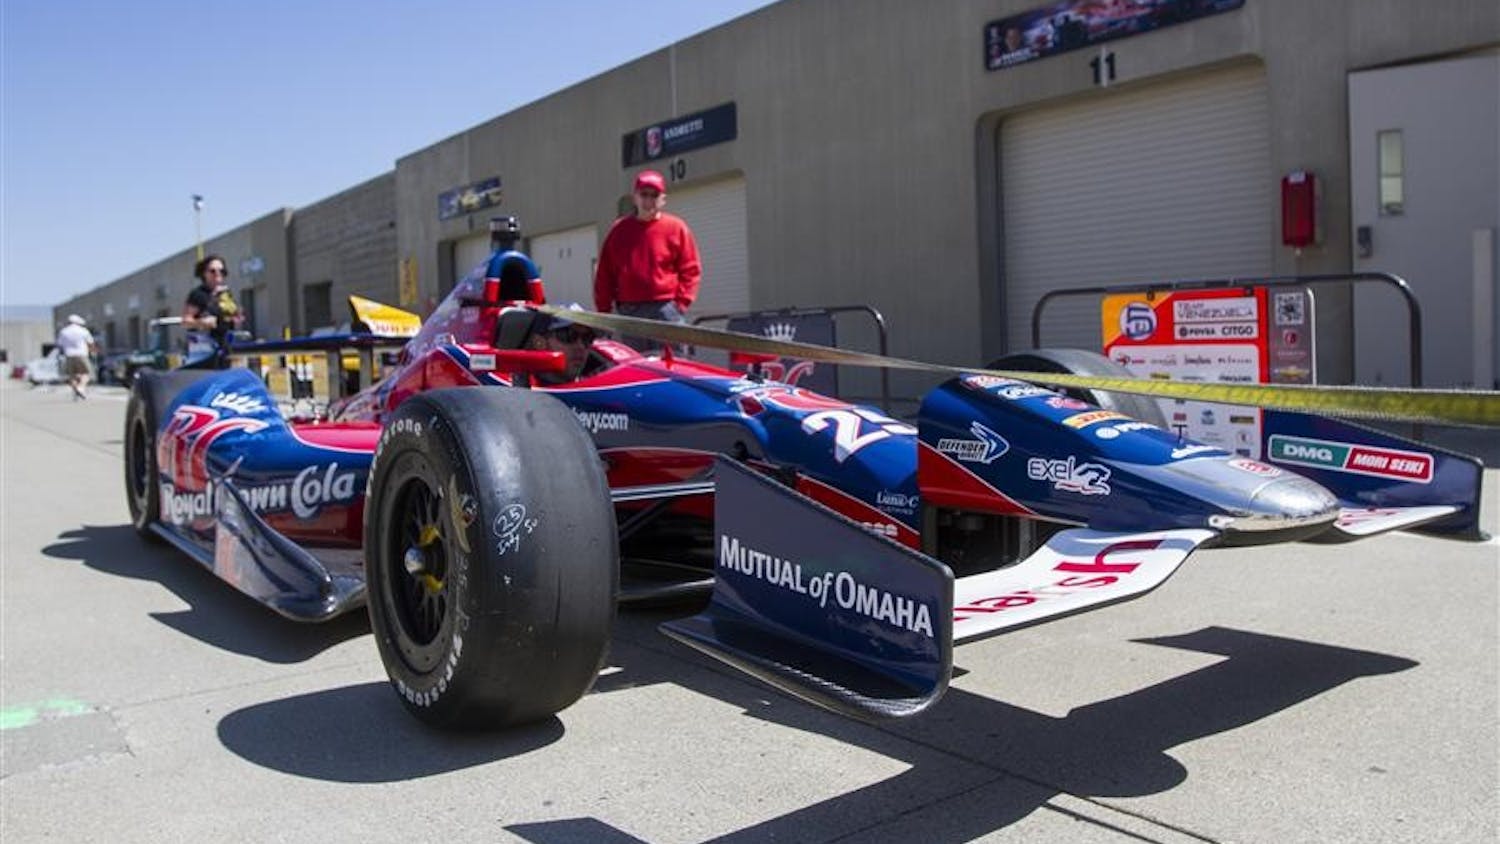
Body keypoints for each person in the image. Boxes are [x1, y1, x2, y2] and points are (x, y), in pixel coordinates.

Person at [593, 169, 701, 351]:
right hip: (630, 313)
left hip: (666, 310)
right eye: (644, 194)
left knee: (672, 366)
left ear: (663, 199)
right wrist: (604, 312)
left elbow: (691, 270)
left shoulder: (676, 228)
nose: (649, 200)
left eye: (654, 195)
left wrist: (680, 304)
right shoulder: (619, 230)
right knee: (637, 367)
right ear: (635, 197)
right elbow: (605, 274)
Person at [182, 254, 243, 367]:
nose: (217, 274)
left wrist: (236, 317)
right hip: (205, 347)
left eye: (221, 270)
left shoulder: (226, 293)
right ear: (204, 273)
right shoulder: (198, 294)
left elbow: (232, 314)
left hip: (226, 345)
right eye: (212, 271)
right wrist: (201, 322)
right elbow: (186, 321)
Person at [522, 306, 599, 386]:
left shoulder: (596, 390)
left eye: (587, 338)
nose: (581, 347)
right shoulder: (520, 391)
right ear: (539, 343)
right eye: (568, 336)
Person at [55, 314, 98, 400]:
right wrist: (94, 352)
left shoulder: (64, 331)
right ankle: (81, 387)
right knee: (87, 373)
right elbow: (90, 343)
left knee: (72, 375)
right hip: (82, 354)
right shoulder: (83, 330)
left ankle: (76, 391)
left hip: (69, 355)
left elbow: (59, 345)